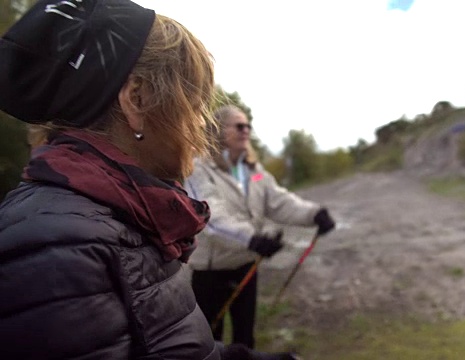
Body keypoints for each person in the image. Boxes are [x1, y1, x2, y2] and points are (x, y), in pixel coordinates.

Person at [0, 1, 297, 359]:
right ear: (137, 100)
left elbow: (163, 342)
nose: (203, 123)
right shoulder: (58, 252)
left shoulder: (116, 216)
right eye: (195, 103)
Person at [185, 104, 336, 348]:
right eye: (239, 126)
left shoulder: (253, 171)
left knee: (246, 340)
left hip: (247, 266)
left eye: (248, 126)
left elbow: (279, 201)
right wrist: (253, 239)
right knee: (210, 343)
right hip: (211, 274)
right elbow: (211, 216)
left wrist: (314, 214)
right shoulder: (198, 169)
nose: (246, 131)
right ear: (218, 131)